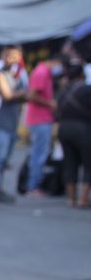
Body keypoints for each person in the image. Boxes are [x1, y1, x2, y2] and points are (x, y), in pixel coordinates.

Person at [0, 46, 30, 203]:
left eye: (16, 56)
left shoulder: (17, 75)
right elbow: (7, 95)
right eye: (9, 56)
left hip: (12, 123)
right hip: (1, 124)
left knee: (4, 160)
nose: (12, 60)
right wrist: (23, 94)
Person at [24, 53, 64, 197]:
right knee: (39, 154)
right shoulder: (41, 72)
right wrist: (50, 103)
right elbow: (31, 95)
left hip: (43, 119)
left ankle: (34, 185)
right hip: (40, 119)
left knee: (40, 153)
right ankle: (33, 186)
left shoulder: (45, 72)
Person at [57, 63, 91, 207]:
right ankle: (83, 199)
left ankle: (71, 198)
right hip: (83, 129)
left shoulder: (63, 91)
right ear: (82, 75)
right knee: (88, 164)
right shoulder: (87, 90)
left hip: (63, 128)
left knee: (70, 162)